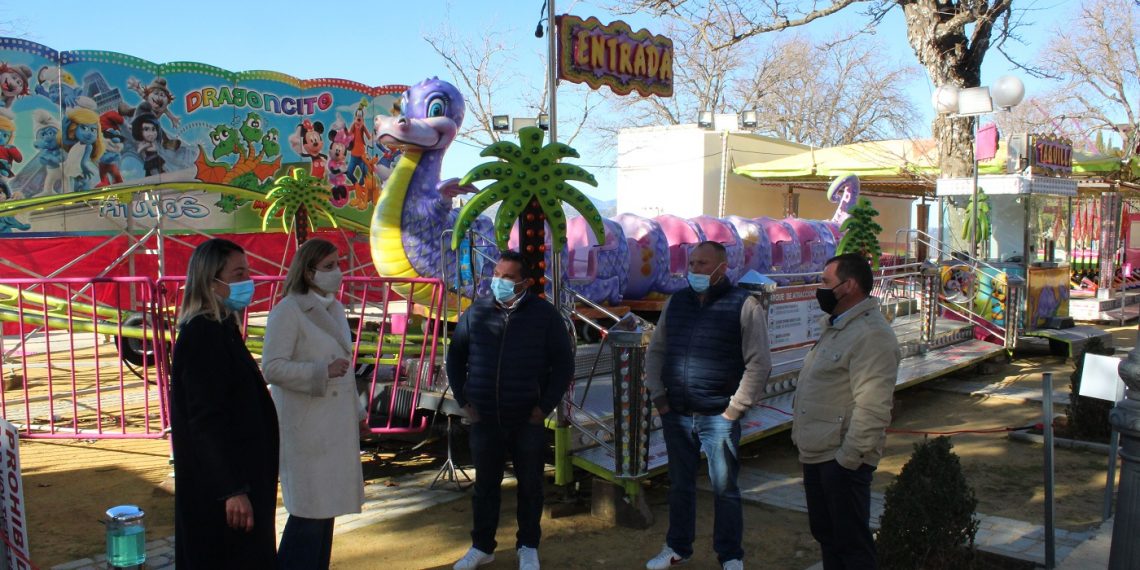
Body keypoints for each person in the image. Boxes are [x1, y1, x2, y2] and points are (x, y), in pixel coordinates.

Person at [644, 241, 771, 570]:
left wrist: (734, 410)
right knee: (680, 486)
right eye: (692, 263)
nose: (695, 270)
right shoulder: (676, 303)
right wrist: (659, 396)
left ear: (722, 267)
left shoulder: (744, 305)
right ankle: (677, 547)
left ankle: (730, 555)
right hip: (677, 414)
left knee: (725, 488)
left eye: (703, 264)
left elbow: (759, 363)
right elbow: (657, 350)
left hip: (719, 417)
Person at [446, 250, 575, 570]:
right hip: (485, 418)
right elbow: (455, 357)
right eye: (496, 275)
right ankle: (482, 547)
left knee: (530, 485)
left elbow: (563, 364)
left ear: (525, 283)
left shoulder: (545, 316)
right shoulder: (476, 312)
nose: (498, 282)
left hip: (526, 418)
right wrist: (464, 401)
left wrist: (543, 407)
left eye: (507, 277)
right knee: (485, 486)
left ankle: (528, 545)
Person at [170, 238, 279, 568]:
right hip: (220, 491)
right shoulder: (203, 334)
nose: (248, 281)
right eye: (238, 273)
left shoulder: (223, 328)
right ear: (211, 281)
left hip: (243, 477)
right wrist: (231, 489)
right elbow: (205, 421)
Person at [792, 253, 900, 570]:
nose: (819, 288)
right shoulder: (839, 327)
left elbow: (874, 407)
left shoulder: (871, 335)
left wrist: (846, 460)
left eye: (825, 282)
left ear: (848, 286)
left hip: (841, 461)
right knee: (828, 537)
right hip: (818, 453)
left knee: (851, 547)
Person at [261, 238, 365, 569]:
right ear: (308, 272)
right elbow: (272, 367)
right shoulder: (288, 311)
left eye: (339, 264)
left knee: (326, 514)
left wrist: (356, 412)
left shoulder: (333, 306)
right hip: (308, 430)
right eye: (330, 266)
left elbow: (344, 370)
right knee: (309, 515)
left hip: (333, 427)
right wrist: (320, 371)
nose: (338, 272)